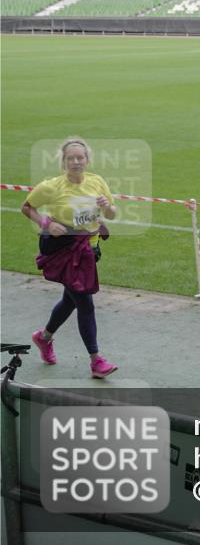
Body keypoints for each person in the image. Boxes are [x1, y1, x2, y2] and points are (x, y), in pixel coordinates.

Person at [21, 136, 118, 379]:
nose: (76, 162)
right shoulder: (52, 186)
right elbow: (26, 207)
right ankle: (96, 360)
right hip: (61, 248)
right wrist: (46, 223)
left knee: (71, 299)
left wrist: (107, 207)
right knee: (84, 301)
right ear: (63, 162)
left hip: (87, 249)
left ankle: (43, 338)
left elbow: (112, 214)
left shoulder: (96, 182)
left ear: (87, 160)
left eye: (80, 157)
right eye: (71, 158)